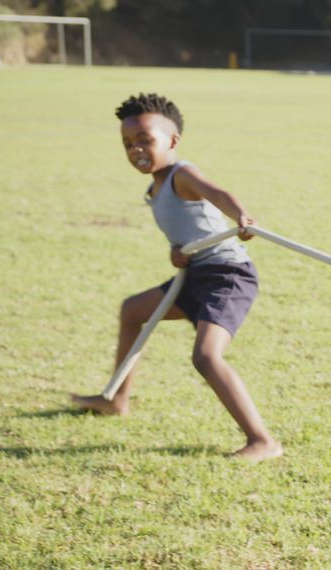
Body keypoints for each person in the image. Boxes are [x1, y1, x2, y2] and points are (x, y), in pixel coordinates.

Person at [72, 93, 282, 463]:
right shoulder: (154, 188)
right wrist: (178, 253)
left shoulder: (182, 174)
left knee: (205, 356)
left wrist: (241, 217)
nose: (136, 149)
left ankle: (262, 440)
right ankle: (116, 398)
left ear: (172, 141)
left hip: (226, 274)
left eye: (145, 140)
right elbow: (186, 237)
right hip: (195, 274)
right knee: (132, 311)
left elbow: (216, 192)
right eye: (128, 143)